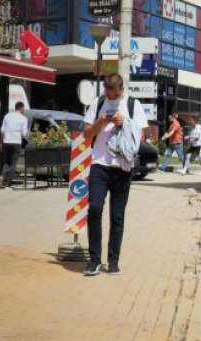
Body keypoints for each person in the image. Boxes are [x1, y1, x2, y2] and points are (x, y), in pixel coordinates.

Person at [82, 73, 148, 276]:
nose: (111, 98)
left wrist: (124, 123)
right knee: (94, 209)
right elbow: (86, 134)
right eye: (108, 95)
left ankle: (113, 261)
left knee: (117, 216)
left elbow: (142, 137)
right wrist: (101, 123)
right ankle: (94, 260)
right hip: (99, 165)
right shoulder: (97, 103)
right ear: (104, 90)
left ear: (121, 89)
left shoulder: (132, 104)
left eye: (115, 95)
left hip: (122, 167)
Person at [0, 101, 29, 188]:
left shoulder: (7, 116)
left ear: (15, 107)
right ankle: (8, 182)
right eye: (23, 108)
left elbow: (2, 130)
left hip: (6, 142)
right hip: (16, 142)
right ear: (21, 108)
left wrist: (1, 142)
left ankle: (1, 177)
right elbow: (24, 133)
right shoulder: (23, 118)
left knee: (6, 162)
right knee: (13, 163)